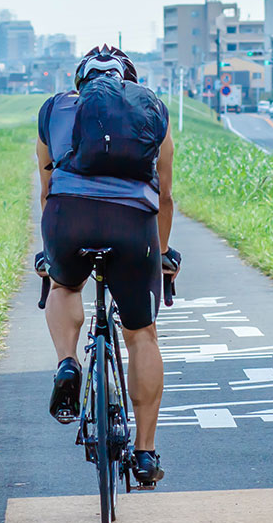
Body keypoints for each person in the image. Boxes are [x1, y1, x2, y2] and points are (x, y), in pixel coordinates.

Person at [37, 45, 178, 487]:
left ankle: (67, 363)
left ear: (79, 83)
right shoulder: (152, 111)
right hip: (132, 225)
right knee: (141, 335)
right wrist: (163, 253)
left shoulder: (54, 111)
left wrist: (50, 254)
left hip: (68, 219)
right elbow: (166, 196)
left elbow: (46, 192)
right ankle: (145, 453)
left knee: (63, 288)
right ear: (128, 84)